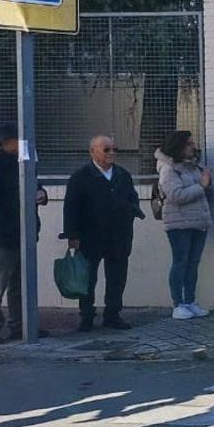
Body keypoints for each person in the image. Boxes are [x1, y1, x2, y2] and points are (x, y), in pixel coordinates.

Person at [0, 124, 48, 343]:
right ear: (5, 143)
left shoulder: (25, 165)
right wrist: (9, 227)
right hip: (1, 238)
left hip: (23, 235)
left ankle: (21, 325)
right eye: (18, 139)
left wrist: (41, 195)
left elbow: (36, 188)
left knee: (21, 284)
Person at [62, 135, 144, 332]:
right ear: (93, 152)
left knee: (116, 277)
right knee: (88, 278)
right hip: (90, 236)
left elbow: (133, 198)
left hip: (118, 235)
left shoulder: (123, 175)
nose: (111, 153)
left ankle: (113, 314)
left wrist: (130, 211)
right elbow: (71, 207)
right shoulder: (80, 177)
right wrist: (72, 235)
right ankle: (87, 315)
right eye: (106, 150)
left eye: (114, 149)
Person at [156, 130, 212, 321]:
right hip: (178, 223)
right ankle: (178, 303)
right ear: (179, 147)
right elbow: (176, 195)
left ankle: (190, 300)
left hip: (198, 221)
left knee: (193, 263)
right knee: (180, 262)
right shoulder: (168, 169)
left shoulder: (192, 166)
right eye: (189, 144)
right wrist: (202, 186)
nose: (193, 146)